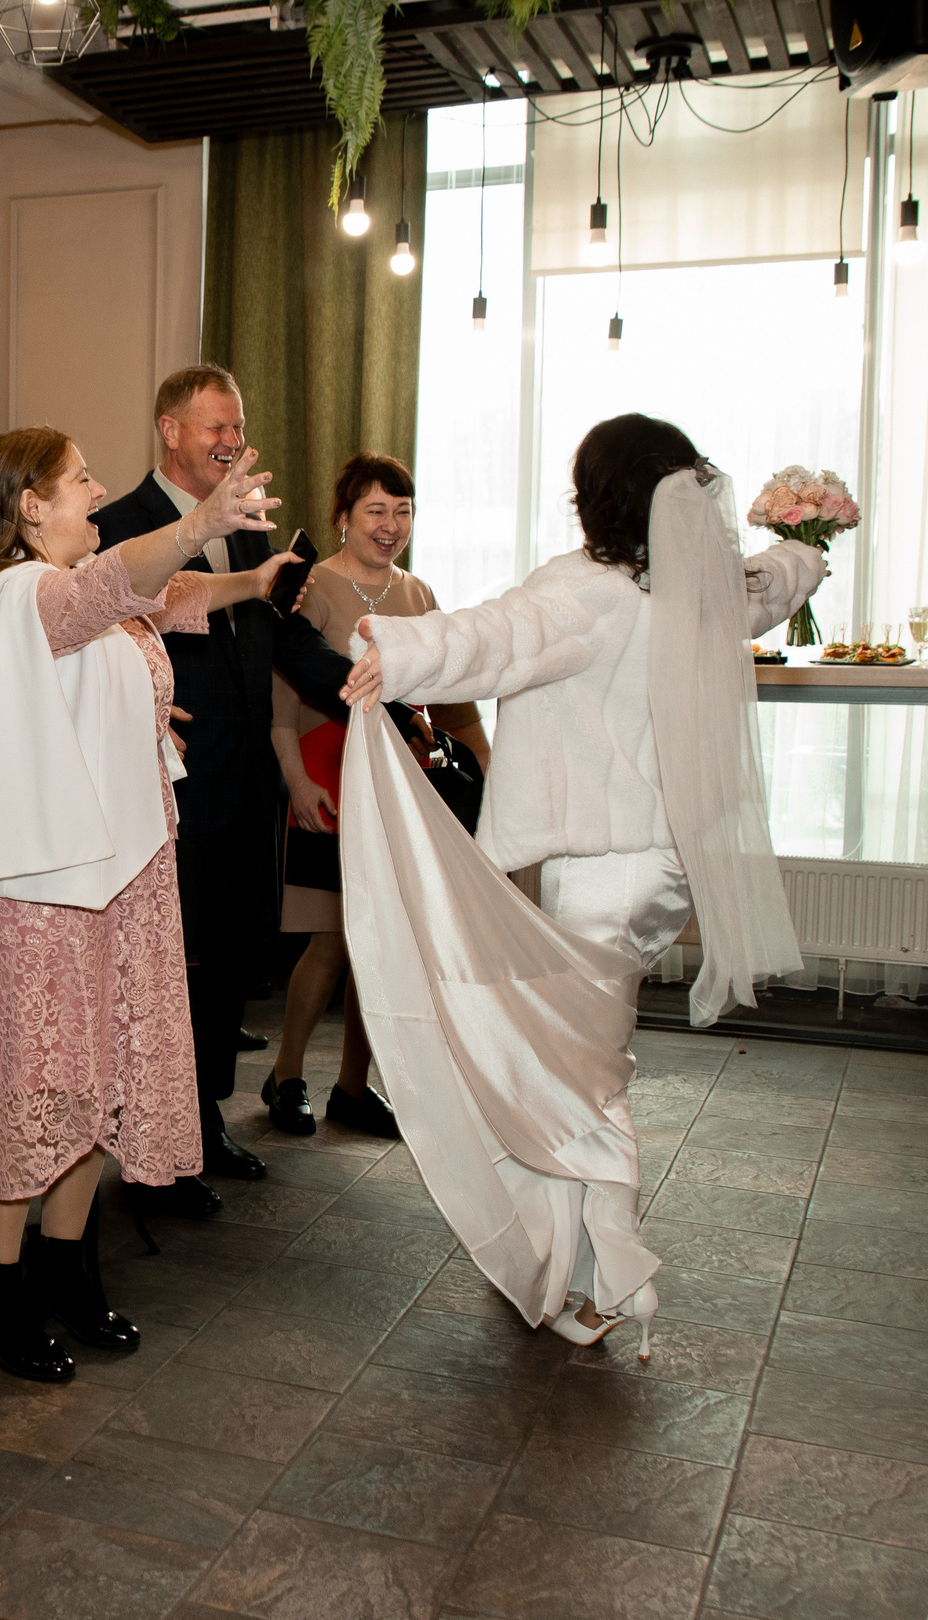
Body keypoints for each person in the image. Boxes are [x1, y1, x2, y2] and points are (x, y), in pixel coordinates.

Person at [340, 414, 825, 1354]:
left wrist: (393, 651)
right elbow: (778, 581)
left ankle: (610, 1276)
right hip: (664, 871)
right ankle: (567, 1261)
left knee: (577, 1082)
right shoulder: (708, 584)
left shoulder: (587, 590)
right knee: (584, 1066)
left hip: (596, 872)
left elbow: (495, 639)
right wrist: (809, 546)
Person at [0, 427, 294, 1384]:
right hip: (41, 893)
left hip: (117, 876)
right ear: (28, 505)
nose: (95, 492)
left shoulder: (93, 600)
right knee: (34, 1091)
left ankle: (66, 1270)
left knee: (96, 1086)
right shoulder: (22, 595)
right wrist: (199, 523)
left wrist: (253, 582)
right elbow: (125, 581)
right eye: (79, 480)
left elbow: (170, 598)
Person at [90, 365, 379, 1216]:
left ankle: (204, 1119)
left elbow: (281, 641)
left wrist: (368, 686)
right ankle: (156, 1149)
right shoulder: (118, 527)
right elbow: (95, 652)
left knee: (221, 969)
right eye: (214, 426)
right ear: (168, 429)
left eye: (238, 425)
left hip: (245, 788)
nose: (230, 440)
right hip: (167, 794)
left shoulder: (249, 533)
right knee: (168, 971)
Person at [261, 452, 487, 1141]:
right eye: (376, 511)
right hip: (330, 777)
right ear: (344, 516)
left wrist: (483, 763)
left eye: (403, 511)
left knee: (382, 943)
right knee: (331, 941)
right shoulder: (314, 586)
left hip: (401, 787)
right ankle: (287, 1074)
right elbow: (281, 707)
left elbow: (449, 698)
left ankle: (354, 1087)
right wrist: (297, 781)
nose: (390, 525)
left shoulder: (418, 594)